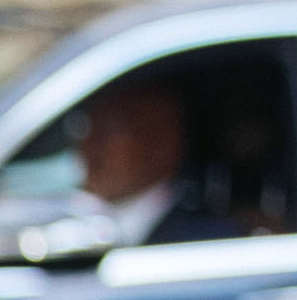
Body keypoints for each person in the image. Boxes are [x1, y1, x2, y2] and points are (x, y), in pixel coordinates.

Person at [75, 72, 221, 246]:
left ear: (163, 142)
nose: (89, 145)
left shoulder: (203, 243)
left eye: (110, 128)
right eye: (86, 128)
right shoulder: (79, 224)